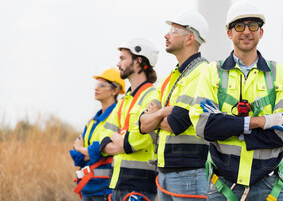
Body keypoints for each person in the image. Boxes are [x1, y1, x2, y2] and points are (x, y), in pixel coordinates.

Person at [189, 0, 283, 201]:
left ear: (261, 32)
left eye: (253, 26)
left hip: (268, 184)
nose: (246, 31)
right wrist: (261, 122)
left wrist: (227, 126)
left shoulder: (279, 73)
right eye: (239, 26)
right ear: (229, 33)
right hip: (223, 184)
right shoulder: (212, 72)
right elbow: (203, 127)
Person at [139, 11, 209, 201]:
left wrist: (156, 116)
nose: (166, 35)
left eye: (173, 30)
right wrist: (163, 112)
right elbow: (143, 125)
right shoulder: (172, 77)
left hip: (189, 172)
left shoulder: (201, 72)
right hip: (165, 170)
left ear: (190, 38)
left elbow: (176, 123)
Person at [99, 37, 159, 201]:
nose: (118, 64)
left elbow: (135, 141)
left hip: (140, 187)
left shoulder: (153, 97)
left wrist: (117, 138)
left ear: (138, 61)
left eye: (123, 58)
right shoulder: (125, 100)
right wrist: (121, 141)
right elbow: (102, 140)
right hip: (117, 184)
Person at [70, 67, 125, 201]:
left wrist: (83, 149)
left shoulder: (119, 116)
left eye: (102, 85)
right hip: (87, 186)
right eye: (96, 85)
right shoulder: (92, 122)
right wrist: (88, 152)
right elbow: (76, 156)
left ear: (115, 90)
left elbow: (103, 149)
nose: (96, 88)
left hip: (106, 187)